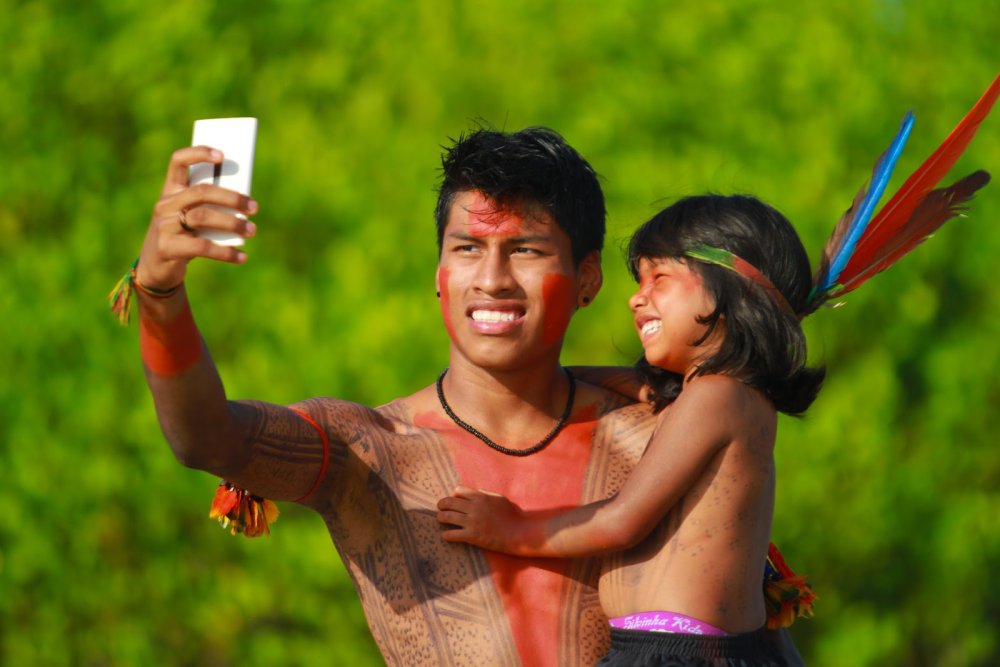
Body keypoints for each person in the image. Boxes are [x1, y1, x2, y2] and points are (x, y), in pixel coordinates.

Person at [117, 125, 667, 666]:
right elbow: (207, 440)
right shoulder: (371, 452)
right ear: (440, 273)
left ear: (587, 279)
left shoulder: (658, 442)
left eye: (524, 249)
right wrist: (161, 294)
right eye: (468, 248)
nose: (492, 278)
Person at [437, 194, 824, 665]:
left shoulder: (718, 395)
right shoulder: (713, 395)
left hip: (681, 655)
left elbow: (622, 521)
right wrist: (542, 373)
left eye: (659, 277)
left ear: (734, 292)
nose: (636, 297)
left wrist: (511, 528)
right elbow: (606, 380)